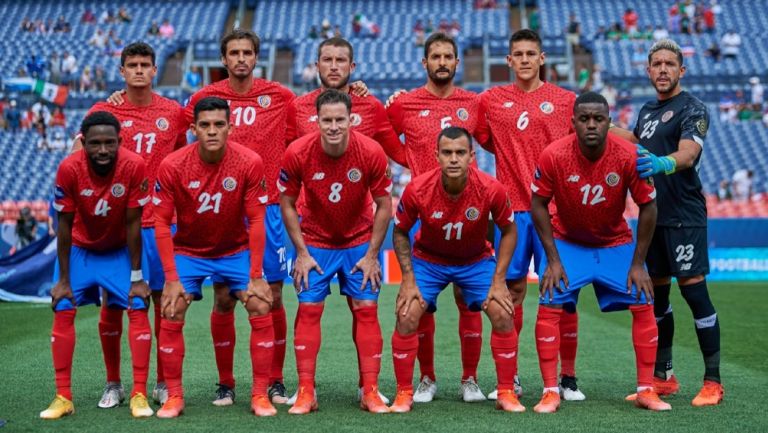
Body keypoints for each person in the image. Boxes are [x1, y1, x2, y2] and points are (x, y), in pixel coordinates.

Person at [108, 29, 296, 407]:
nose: (241, 58)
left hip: (264, 207)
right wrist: (120, 97)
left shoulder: (281, 96)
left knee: (271, 295)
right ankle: (223, 384)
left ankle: (273, 382)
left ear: (256, 57)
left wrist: (353, 89)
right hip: (215, 211)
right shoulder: (200, 100)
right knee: (221, 298)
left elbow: (312, 119)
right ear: (223, 59)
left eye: (247, 52)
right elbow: (169, 130)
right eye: (234, 53)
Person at [529, 91, 669, 413]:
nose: (591, 125)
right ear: (573, 122)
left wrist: (638, 263)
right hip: (568, 242)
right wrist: (552, 259)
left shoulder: (629, 155)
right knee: (549, 300)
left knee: (644, 300)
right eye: (584, 119)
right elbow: (538, 204)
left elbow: (649, 206)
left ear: (609, 122)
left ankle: (646, 390)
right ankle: (550, 391)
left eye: (598, 119)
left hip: (614, 242)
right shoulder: (553, 154)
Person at [286, 37, 406, 406]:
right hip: (315, 235)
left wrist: (372, 254)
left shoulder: (371, 115)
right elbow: (286, 183)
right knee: (308, 309)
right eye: (327, 59)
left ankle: (368, 389)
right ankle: (304, 390)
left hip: (357, 235)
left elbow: (391, 179)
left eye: (342, 60)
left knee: (366, 309)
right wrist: (301, 251)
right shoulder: (296, 112)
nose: (334, 66)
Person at [610, 38, 723, 407]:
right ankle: (664, 376)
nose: (662, 69)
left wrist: (662, 163)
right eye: (656, 64)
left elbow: (688, 154)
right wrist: (597, 123)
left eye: (669, 64)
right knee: (658, 298)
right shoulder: (646, 111)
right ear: (648, 71)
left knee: (694, 293)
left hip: (684, 216)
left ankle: (713, 382)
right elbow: (634, 140)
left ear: (681, 70)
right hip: (652, 216)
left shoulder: (693, 108)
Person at [474, 29, 583, 401]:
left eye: (530, 53)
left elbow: (584, 142)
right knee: (513, 292)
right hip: (513, 212)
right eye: (517, 54)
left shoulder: (565, 100)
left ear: (542, 58)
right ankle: (512, 377)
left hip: (556, 211)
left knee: (563, 293)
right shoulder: (490, 100)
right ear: (508, 60)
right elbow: (477, 132)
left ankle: (567, 378)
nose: (524, 59)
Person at [153, 96, 275, 418]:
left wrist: (256, 274)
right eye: (204, 125)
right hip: (189, 251)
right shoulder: (172, 165)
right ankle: (174, 396)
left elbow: (257, 219)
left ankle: (259, 395)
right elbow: (161, 223)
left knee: (261, 303)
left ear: (230, 128)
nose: (211, 131)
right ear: (193, 129)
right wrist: (171, 278)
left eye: (219, 124)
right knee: (171, 307)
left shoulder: (248, 162)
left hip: (234, 250)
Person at [81, 42, 188, 408]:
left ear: (154, 70)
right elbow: (81, 159)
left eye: (145, 64)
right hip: (116, 224)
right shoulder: (103, 111)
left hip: (159, 223)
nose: (139, 70)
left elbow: (182, 159)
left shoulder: (172, 112)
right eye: (133, 65)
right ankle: (113, 383)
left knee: (162, 302)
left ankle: (161, 382)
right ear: (122, 71)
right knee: (113, 303)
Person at [389, 126, 524, 414]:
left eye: (460, 152)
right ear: (436, 155)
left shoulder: (490, 188)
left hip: (475, 261)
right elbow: (399, 231)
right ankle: (405, 392)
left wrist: (499, 279)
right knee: (406, 313)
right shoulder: (418, 188)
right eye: (447, 152)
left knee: (503, 312)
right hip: (429, 261)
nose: (453, 159)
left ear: (472, 156)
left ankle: (505, 392)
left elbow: (509, 230)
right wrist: (408, 279)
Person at [386, 32, 486, 404]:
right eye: (435, 56)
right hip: (423, 209)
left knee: (468, 297)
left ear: (456, 63)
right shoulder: (405, 103)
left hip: (467, 208)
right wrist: (410, 162)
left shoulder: (473, 102)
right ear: (424, 62)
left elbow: (489, 140)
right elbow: (382, 134)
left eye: (447, 57)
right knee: (421, 301)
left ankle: (470, 379)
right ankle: (426, 378)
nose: (441, 62)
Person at [41, 111, 152, 419]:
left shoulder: (134, 165)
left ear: (120, 141)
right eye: (95, 143)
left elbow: (134, 224)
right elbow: (64, 225)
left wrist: (137, 277)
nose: (103, 150)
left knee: (138, 304)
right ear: (83, 142)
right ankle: (63, 396)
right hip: (81, 249)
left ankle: (139, 394)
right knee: (63, 305)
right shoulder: (68, 168)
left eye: (109, 143)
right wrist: (64, 279)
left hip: (119, 250)